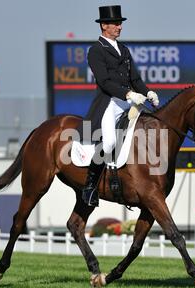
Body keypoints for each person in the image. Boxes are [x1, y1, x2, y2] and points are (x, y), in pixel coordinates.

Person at [81, 5, 160, 207]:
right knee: (108, 144)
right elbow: (105, 81)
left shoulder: (123, 49)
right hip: (110, 102)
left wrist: (147, 92)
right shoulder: (96, 51)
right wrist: (127, 93)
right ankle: (90, 186)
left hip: (128, 101)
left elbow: (135, 78)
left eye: (120, 23)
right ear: (104, 26)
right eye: (116, 24)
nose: (119, 27)